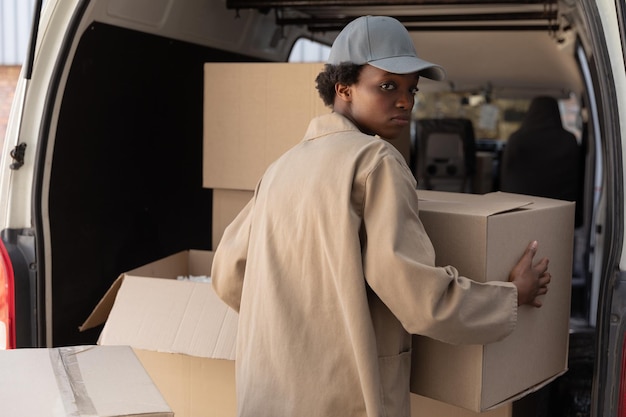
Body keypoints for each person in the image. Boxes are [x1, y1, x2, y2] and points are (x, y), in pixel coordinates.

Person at [211, 15, 550, 417]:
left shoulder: (281, 167)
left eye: (412, 89)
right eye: (388, 86)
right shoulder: (375, 163)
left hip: (266, 395)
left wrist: (295, 324)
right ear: (344, 88)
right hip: (342, 399)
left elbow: (228, 275)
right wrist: (511, 297)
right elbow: (419, 300)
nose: (405, 100)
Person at [500, 95, 581, 220]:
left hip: (520, 210)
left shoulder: (517, 139)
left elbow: (506, 174)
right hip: (559, 211)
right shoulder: (568, 140)